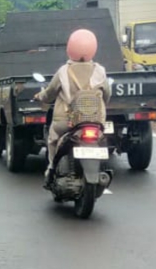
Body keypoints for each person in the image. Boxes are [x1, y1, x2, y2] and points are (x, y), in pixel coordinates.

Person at [34, 28, 111, 186]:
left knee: (53, 138)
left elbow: (49, 94)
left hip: (67, 121)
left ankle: (51, 169)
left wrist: (40, 97)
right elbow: (107, 95)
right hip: (96, 121)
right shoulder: (100, 71)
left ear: (70, 48)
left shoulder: (63, 72)